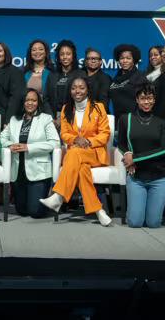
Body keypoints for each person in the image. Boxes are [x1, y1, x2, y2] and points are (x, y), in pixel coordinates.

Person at [39, 76, 112, 227]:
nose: (77, 91)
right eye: (74, 88)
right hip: (78, 155)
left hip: (94, 153)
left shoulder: (99, 107)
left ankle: (58, 195)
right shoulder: (67, 108)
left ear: (87, 90)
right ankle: (99, 211)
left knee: (72, 153)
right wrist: (75, 140)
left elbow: (105, 134)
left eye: (81, 87)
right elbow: (64, 133)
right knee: (82, 170)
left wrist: (88, 141)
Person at [0, 89, 59, 218]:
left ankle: (51, 200)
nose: (30, 103)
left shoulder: (45, 119)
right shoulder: (14, 120)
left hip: (39, 171)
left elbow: (54, 143)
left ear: (38, 103)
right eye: (27, 100)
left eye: (34, 100)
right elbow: (1, 139)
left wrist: (29, 147)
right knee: (21, 211)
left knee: (35, 212)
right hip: (18, 170)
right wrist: (10, 145)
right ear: (22, 102)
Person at [119, 84, 165, 228]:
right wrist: (126, 153)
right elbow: (121, 143)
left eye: (150, 98)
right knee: (135, 222)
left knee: (153, 223)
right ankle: (136, 211)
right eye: (143, 98)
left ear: (154, 100)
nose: (146, 102)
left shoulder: (163, 123)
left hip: (160, 178)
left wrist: (134, 158)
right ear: (137, 99)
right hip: (137, 178)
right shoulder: (126, 119)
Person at [43, 39, 85, 123]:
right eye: (62, 54)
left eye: (68, 54)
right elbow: (46, 99)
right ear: (58, 57)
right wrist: (51, 118)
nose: (65, 57)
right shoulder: (52, 75)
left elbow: (83, 98)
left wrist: (64, 118)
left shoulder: (81, 74)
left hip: (74, 116)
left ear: (73, 56)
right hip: (53, 118)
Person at [108, 44, 147, 118]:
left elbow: (144, 102)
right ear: (118, 60)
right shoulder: (116, 78)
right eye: (122, 58)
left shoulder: (140, 77)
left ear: (133, 60)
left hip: (134, 120)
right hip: (118, 119)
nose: (124, 61)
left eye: (128, 58)